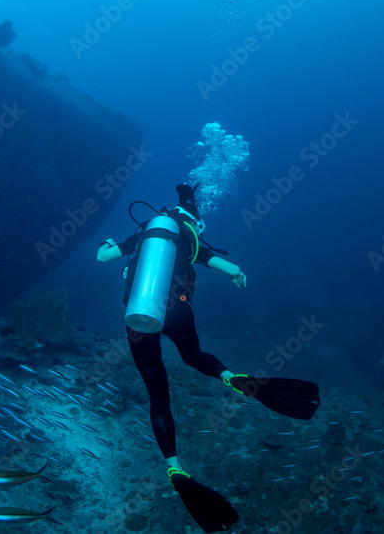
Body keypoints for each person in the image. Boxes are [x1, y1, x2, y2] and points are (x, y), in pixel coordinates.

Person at [97, 183, 319, 533]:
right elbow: (230, 267)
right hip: (177, 313)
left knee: (158, 392)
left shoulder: (144, 235)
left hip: (138, 318)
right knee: (194, 356)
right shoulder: (189, 238)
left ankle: (174, 467)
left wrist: (109, 246)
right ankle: (231, 378)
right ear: (194, 221)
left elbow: (102, 258)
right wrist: (238, 275)